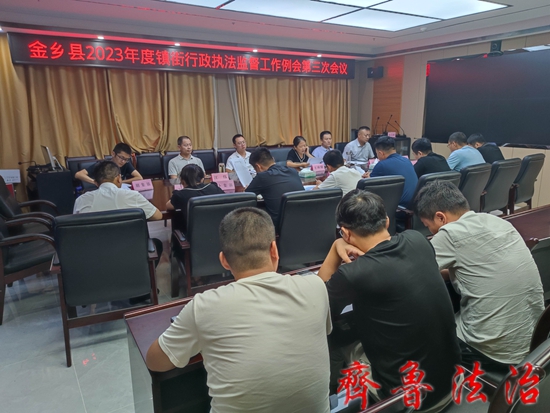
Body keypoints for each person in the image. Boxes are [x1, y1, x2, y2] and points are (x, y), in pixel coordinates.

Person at [146, 207, 332, 413]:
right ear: (274, 249)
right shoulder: (316, 287)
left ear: (224, 260)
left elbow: (155, 362)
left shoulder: (204, 306)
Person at [318, 190, 461, 412]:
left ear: (345, 233)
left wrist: (335, 250)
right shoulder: (417, 240)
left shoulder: (353, 274)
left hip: (410, 401)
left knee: (332, 336)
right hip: (453, 383)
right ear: (386, 221)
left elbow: (318, 303)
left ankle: (336, 401)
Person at [414, 181, 544, 373]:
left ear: (441, 217)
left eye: (428, 226)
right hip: (534, 343)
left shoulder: (450, 234)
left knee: (425, 329)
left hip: (494, 353)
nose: (431, 232)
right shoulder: (500, 222)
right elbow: (474, 268)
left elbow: (412, 272)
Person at [74, 160, 162, 221]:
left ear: (96, 183)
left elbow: (76, 227)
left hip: (95, 242)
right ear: (119, 178)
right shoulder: (133, 196)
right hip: (130, 242)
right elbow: (158, 216)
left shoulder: (81, 200)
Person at [247, 147, 304, 226]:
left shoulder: (262, 177)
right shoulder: (293, 171)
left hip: (279, 226)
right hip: (303, 221)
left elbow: (246, 197)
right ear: (273, 159)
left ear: (258, 166)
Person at [166, 164, 224, 233]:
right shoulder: (214, 188)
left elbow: (168, 206)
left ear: (182, 181)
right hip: (219, 233)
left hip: (195, 235)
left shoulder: (181, 195)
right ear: (202, 179)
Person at [370, 136, 418, 208]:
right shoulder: (407, 161)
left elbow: (370, 188)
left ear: (381, 153)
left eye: (377, 153)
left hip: (398, 208)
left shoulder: (382, 165)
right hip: (414, 205)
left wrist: (368, 177)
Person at [75, 143, 143, 186]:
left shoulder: (126, 164)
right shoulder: (103, 165)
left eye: (126, 159)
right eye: (121, 158)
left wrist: (120, 182)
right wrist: (95, 182)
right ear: (113, 154)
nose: (123, 161)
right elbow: (78, 174)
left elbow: (139, 178)